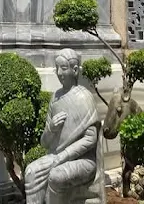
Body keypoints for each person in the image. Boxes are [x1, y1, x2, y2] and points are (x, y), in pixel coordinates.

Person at [25, 49, 104, 204]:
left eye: (64, 68)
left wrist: (63, 156)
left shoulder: (84, 97)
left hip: (84, 161)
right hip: (56, 155)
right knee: (30, 172)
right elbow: (45, 143)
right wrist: (51, 129)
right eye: (57, 68)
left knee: (57, 176)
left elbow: (90, 140)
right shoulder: (55, 98)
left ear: (75, 70)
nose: (59, 72)